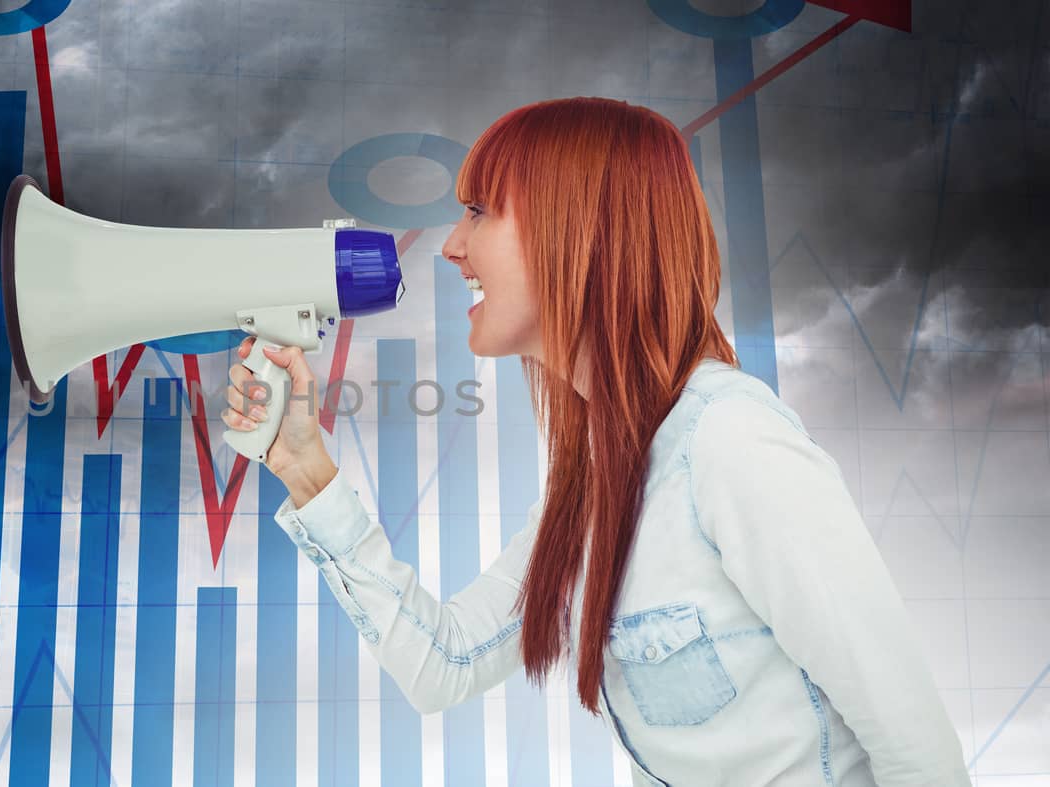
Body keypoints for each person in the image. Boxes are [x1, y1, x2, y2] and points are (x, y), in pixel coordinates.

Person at [221, 97, 969, 785]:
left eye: (480, 211)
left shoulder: (732, 443)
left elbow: (917, 751)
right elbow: (442, 662)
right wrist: (306, 468)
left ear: (579, 228)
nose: (451, 245)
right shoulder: (592, 488)